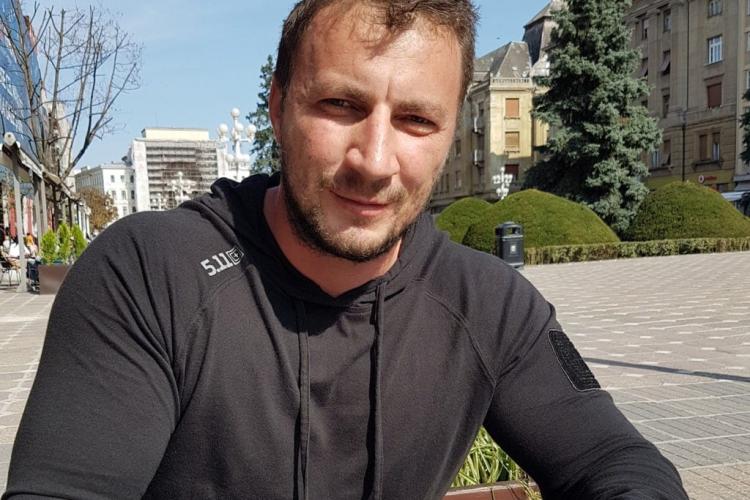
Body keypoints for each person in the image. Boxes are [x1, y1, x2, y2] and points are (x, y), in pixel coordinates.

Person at [4, 1, 687, 499]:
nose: (375, 160)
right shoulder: (151, 275)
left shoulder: (488, 304)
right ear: (278, 107)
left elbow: (619, 463)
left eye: (416, 120)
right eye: (339, 105)